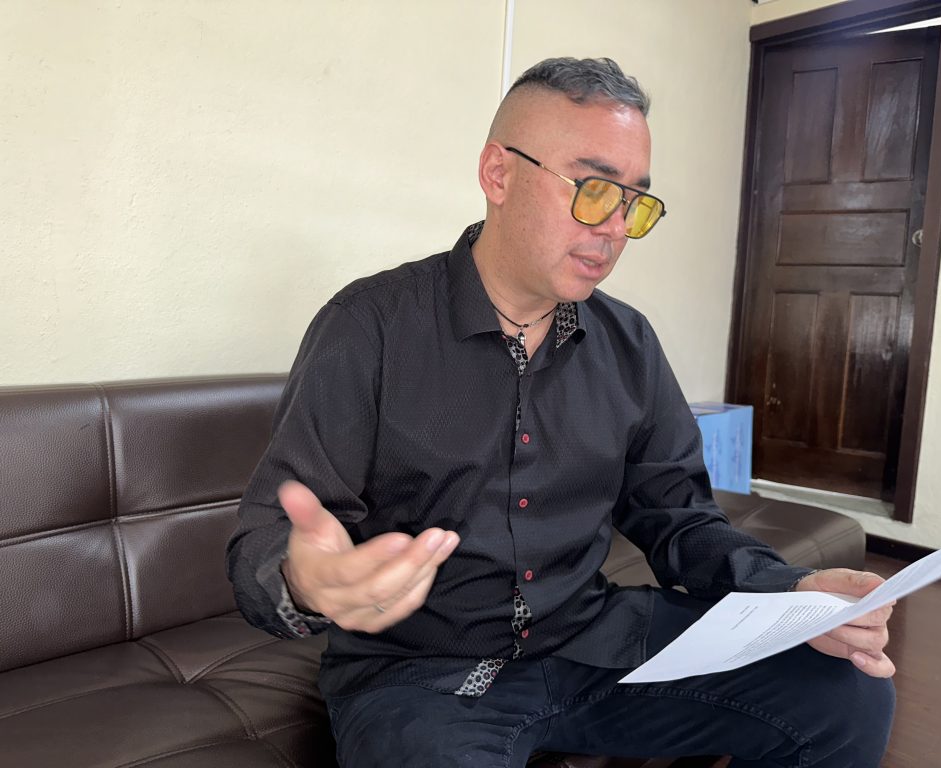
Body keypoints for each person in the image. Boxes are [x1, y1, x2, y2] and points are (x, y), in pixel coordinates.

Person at [227, 57, 896, 767]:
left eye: (635, 202)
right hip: (422, 675)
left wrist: (792, 591)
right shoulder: (371, 326)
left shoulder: (628, 341)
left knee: (845, 690)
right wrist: (308, 581)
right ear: (498, 174)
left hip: (592, 640)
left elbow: (677, 515)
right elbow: (268, 538)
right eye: (593, 189)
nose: (616, 227)